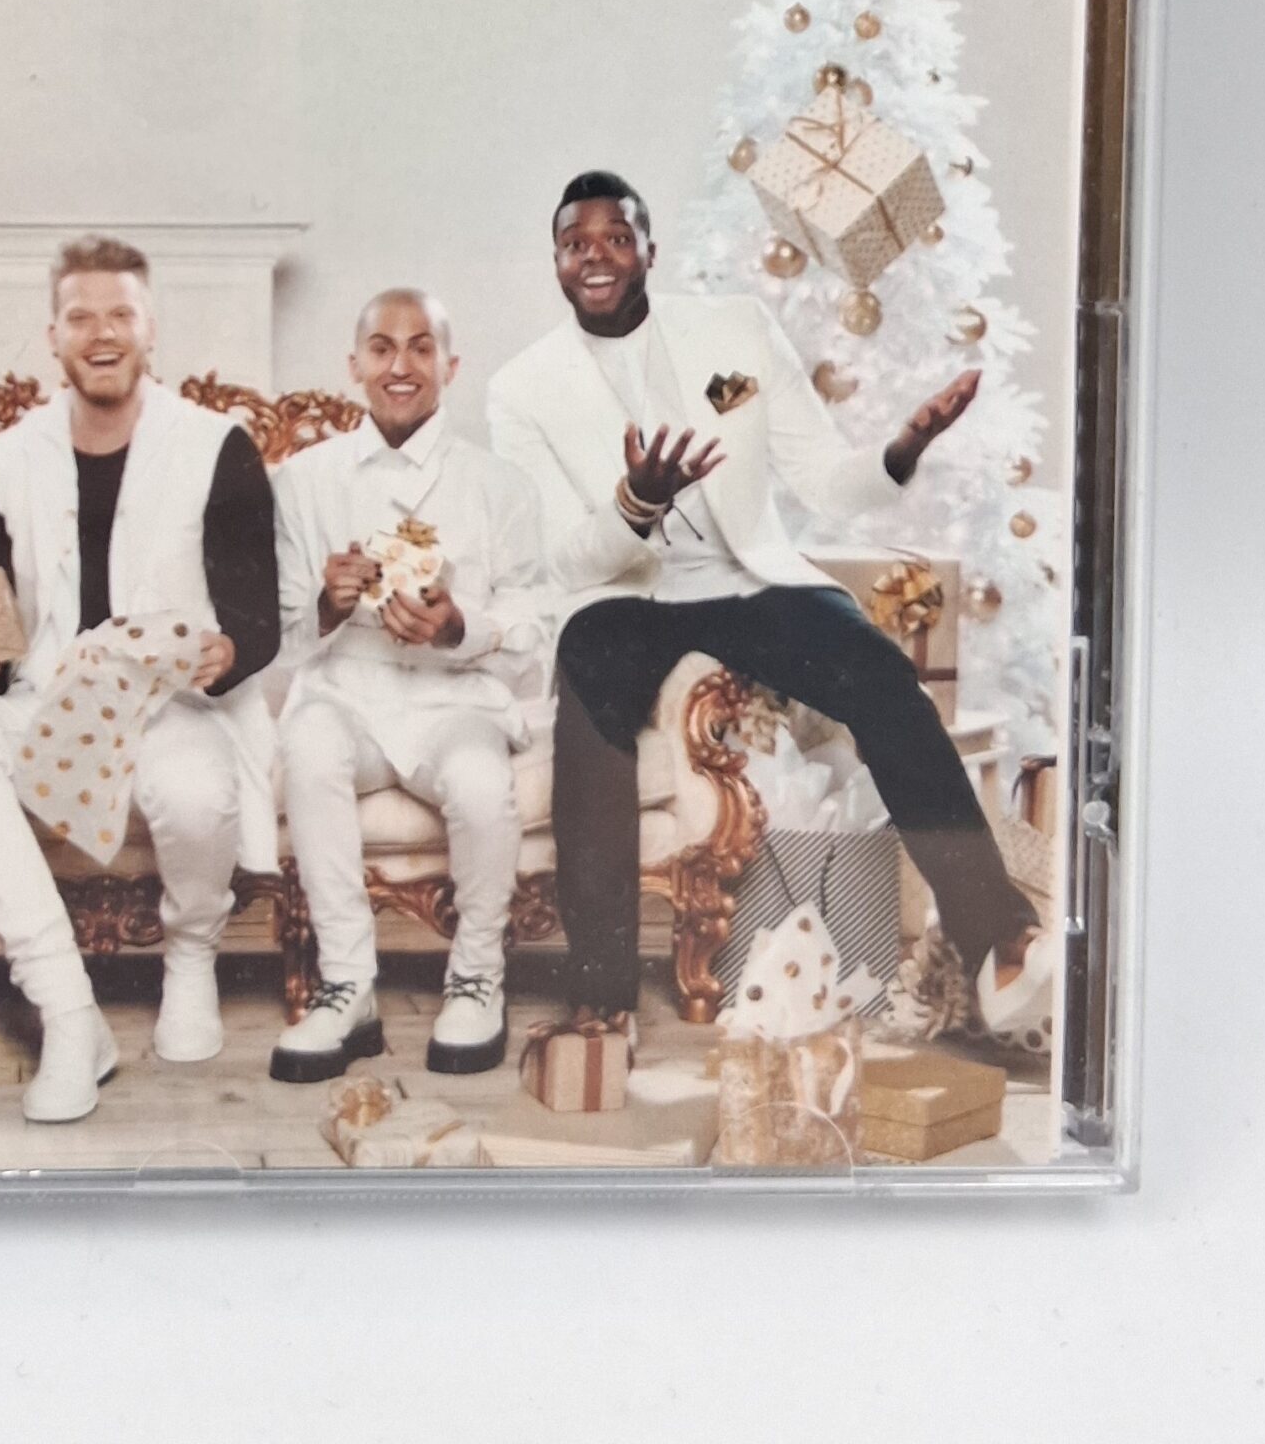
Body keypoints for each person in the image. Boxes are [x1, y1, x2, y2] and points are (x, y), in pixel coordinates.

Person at [487, 171, 1054, 1038]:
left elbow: (821, 476)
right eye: (575, 244)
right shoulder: (522, 389)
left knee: (880, 677)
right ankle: (600, 991)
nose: (595, 256)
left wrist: (903, 447)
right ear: (556, 262)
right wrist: (635, 502)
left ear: (649, 250)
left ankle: (1000, 935)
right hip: (621, 590)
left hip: (745, 577)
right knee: (589, 697)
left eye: (616, 238)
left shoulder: (735, 332)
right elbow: (562, 557)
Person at [0, 237, 281, 1123]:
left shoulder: (216, 446)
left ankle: (191, 952)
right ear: (53, 336)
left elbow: (258, 616)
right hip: (52, 701)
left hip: (171, 702)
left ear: (151, 330)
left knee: (195, 791)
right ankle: (68, 1012)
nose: (102, 333)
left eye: (121, 315)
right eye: (81, 317)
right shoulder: (6, 462)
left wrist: (226, 653)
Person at [268, 287, 548, 1083]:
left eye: (422, 347)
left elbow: (533, 631)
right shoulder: (303, 480)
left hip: (453, 696)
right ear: (354, 365)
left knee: (481, 781)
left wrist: (459, 627)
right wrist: (328, 603)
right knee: (309, 747)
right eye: (382, 348)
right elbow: (279, 637)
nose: (401, 365)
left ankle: (477, 975)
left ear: (451, 366)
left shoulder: (501, 486)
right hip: (346, 689)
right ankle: (347, 983)